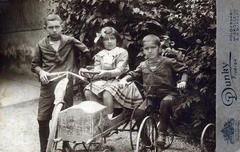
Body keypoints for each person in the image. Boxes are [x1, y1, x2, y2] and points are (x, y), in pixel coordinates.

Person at [31, 14, 90, 152]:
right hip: (48, 85)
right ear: (45, 28)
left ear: (62, 26)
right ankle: (44, 148)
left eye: (57, 27)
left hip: (66, 84)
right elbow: (34, 65)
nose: (55, 30)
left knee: (66, 116)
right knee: (42, 118)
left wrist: (81, 67)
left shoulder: (69, 41)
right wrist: (41, 72)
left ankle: (65, 145)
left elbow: (86, 51)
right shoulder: (41, 45)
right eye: (51, 27)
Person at [119, 34, 188, 147]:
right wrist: (124, 79)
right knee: (138, 112)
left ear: (159, 48)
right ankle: (145, 141)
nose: (150, 51)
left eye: (153, 48)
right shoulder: (143, 65)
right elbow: (134, 73)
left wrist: (183, 81)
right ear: (143, 50)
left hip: (168, 95)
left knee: (165, 103)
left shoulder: (168, 62)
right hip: (151, 97)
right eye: (147, 48)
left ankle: (162, 134)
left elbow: (184, 70)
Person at [80, 26, 143, 119]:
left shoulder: (122, 52)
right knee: (88, 90)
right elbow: (97, 71)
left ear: (117, 40)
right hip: (104, 81)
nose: (109, 41)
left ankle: (108, 118)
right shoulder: (99, 55)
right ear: (102, 41)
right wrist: (87, 73)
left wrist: (104, 73)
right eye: (106, 39)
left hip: (121, 81)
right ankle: (98, 116)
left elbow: (119, 71)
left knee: (107, 92)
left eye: (112, 38)